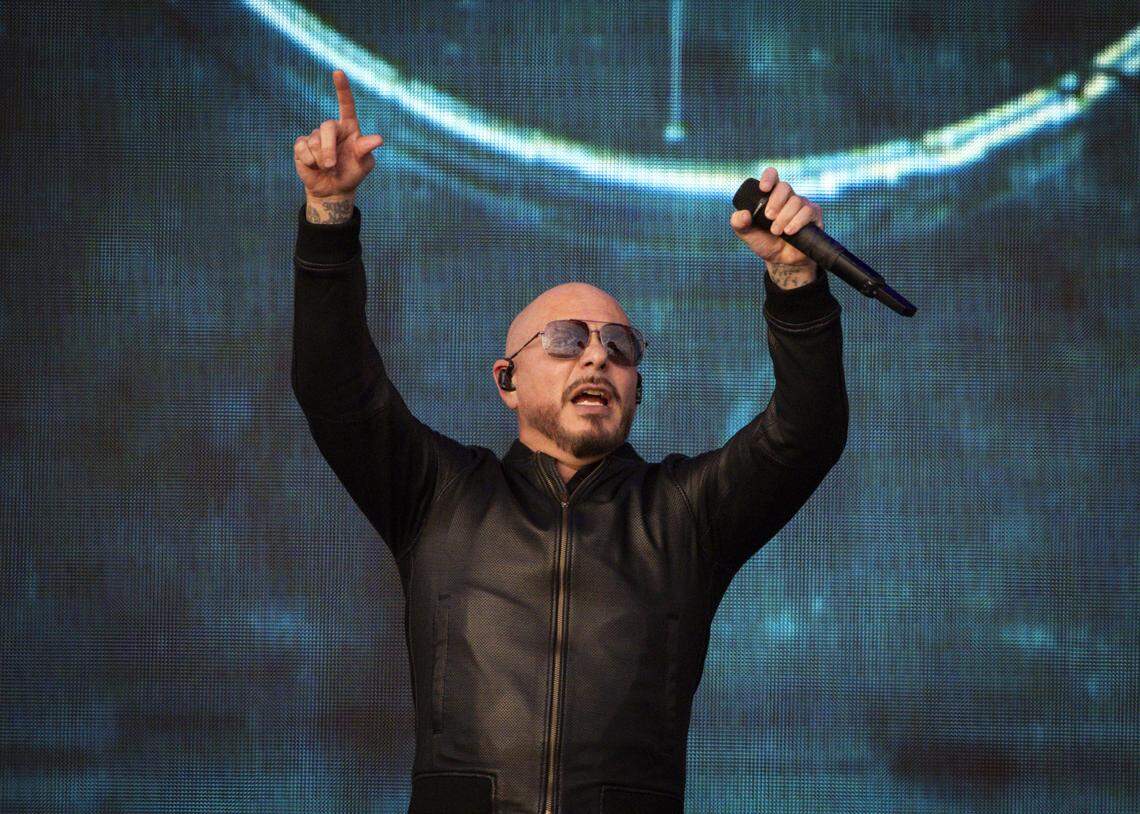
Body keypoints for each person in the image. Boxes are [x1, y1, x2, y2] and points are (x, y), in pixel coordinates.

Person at [292, 70, 848, 814]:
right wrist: (329, 216)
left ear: (638, 389)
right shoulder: (439, 496)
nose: (596, 358)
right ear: (507, 380)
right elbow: (336, 387)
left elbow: (806, 431)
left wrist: (794, 275)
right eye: (565, 340)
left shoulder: (682, 514)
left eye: (620, 346)